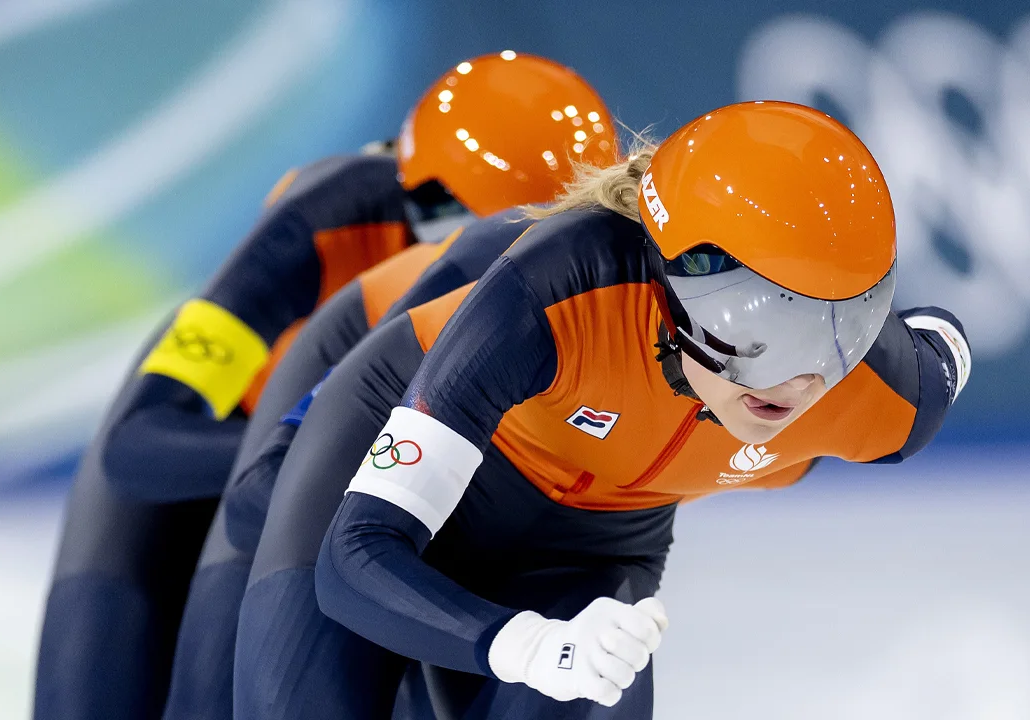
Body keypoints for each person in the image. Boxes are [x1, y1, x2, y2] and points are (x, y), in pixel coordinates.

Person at [234, 101, 971, 719]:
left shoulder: (880, 395)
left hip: (586, 550)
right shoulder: (563, 287)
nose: (799, 380)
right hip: (398, 455)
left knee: (590, 680)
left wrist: (545, 646)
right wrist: (519, 645)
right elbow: (355, 554)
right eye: (757, 328)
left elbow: (942, 338)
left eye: (840, 331)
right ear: (674, 277)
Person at [33, 51, 616, 720]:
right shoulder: (328, 217)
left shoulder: (567, 279)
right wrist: (336, 457)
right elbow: (135, 444)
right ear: (429, 202)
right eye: (495, 241)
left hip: (347, 460)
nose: (518, 271)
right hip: (219, 455)